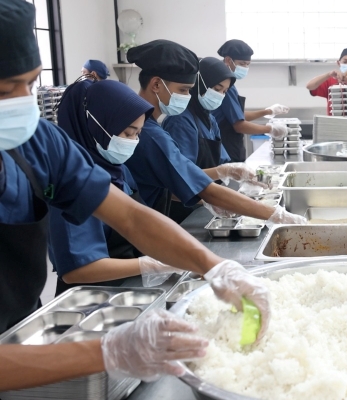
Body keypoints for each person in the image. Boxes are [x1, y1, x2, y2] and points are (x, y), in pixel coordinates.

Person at [0, 0, 269, 388]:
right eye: (7, 89)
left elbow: (127, 214)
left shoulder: (36, 141)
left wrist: (216, 267)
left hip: (22, 331)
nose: (23, 103)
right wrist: (109, 352)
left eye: (31, 84)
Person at [122, 40, 307, 225]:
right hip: (148, 221)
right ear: (156, 84)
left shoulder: (153, 126)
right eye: (184, 90)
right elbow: (193, 184)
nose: (187, 96)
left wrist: (227, 171)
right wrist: (278, 215)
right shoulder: (151, 133)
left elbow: (183, 178)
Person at [50, 79, 181, 295]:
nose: (132, 141)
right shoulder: (69, 183)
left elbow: (136, 220)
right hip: (90, 301)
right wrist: (150, 265)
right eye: (128, 133)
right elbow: (77, 270)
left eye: (137, 134)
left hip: (125, 290)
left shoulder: (118, 169)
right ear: (95, 126)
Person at [214, 39, 290, 162]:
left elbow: (237, 116)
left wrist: (267, 111)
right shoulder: (224, 86)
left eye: (248, 64)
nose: (245, 68)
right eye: (242, 63)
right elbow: (239, 125)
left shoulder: (227, 83)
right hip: (225, 144)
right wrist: (270, 129)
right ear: (228, 60)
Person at [162, 57, 233, 169]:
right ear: (199, 84)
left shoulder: (210, 119)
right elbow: (184, 172)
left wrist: (234, 170)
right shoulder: (180, 121)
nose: (220, 95)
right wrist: (223, 172)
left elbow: (222, 159)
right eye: (217, 89)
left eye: (224, 92)